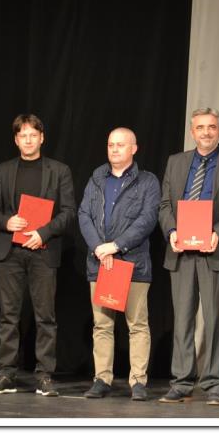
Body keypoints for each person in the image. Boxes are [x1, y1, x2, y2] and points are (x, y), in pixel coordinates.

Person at [158, 107, 219, 405]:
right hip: (181, 251)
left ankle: (213, 383)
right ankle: (181, 383)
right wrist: (172, 231)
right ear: (192, 131)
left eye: (212, 127)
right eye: (200, 127)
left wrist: (218, 232)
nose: (206, 132)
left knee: (215, 320)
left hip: (217, 250)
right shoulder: (176, 162)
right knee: (182, 320)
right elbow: (165, 205)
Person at [0, 114, 76, 397]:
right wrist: (6, 222)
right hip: (10, 250)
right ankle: (6, 374)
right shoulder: (4, 170)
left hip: (42, 251)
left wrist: (44, 233)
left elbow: (69, 212)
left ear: (42, 138)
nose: (28, 140)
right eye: (23, 135)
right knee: (8, 316)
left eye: (33, 135)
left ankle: (44, 375)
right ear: (16, 140)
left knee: (45, 316)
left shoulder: (59, 170)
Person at [78, 127, 160, 401]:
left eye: (120, 145)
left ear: (133, 149)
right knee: (102, 325)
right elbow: (84, 214)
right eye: (111, 144)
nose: (114, 149)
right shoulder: (96, 178)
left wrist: (115, 246)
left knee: (137, 325)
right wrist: (99, 248)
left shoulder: (147, 181)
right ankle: (102, 378)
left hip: (132, 263)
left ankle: (138, 381)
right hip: (100, 262)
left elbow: (147, 220)